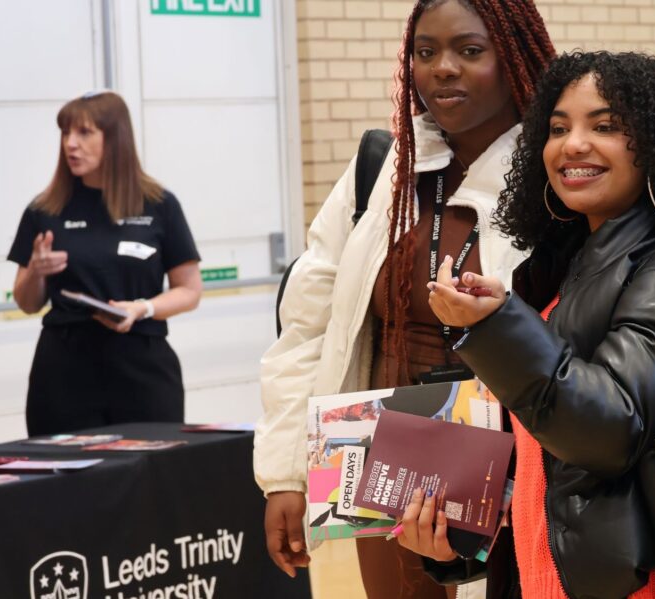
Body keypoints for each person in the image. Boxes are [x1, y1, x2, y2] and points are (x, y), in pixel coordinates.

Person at [398, 51, 655, 599]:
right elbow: (546, 469)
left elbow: (609, 431)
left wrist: (497, 330)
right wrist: (460, 540)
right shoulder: (556, 271)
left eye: (604, 126)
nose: (573, 144)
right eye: (558, 128)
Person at [253, 1, 555, 597]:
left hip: (519, 471)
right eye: (425, 52)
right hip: (386, 459)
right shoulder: (383, 168)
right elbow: (308, 329)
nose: (442, 68)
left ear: (515, 57)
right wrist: (285, 475)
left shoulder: (553, 175)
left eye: (470, 51)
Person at [8, 91, 202, 436]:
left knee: (152, 479)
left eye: (84, 133)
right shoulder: (44, 210)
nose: (71, 144)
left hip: (142, 365)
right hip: (64, 370)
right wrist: (36, 272)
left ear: (115, 139)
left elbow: (189, 291)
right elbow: (26, 302)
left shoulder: (159, 205)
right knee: (66, 483)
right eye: (66, 133)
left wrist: (140, 308)